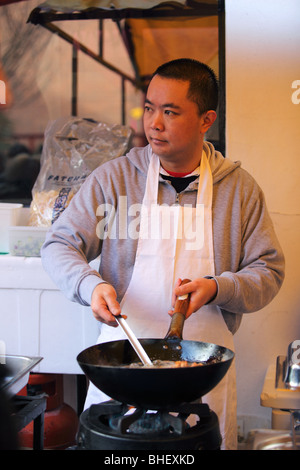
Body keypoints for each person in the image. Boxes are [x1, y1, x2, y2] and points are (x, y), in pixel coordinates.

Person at [41, 58, 285, 449]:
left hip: (201, 369)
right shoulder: (115, 180)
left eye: (170, 112)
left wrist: (219, 287)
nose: (153, 123)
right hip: (121, 365)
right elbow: (59, 244)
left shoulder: (238, 191)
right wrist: (89, 285)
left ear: (207, 120)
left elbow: (269, 271)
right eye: (150, 108)